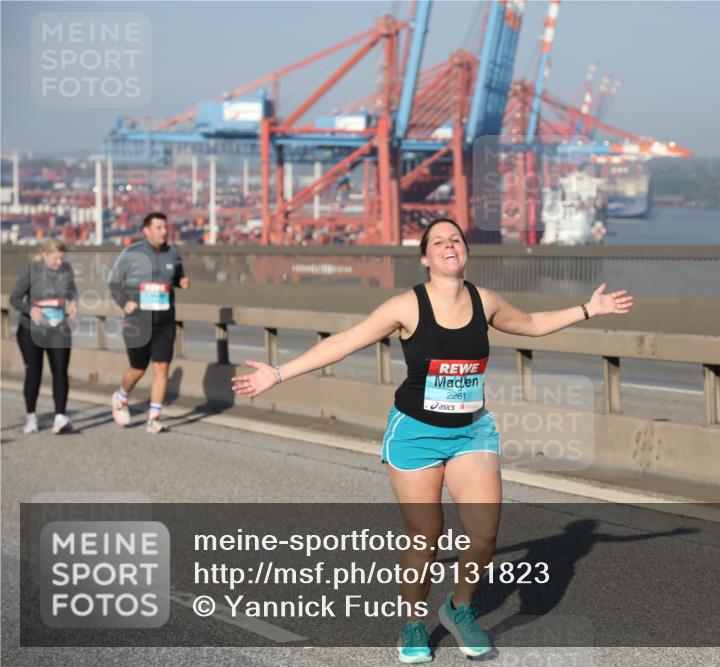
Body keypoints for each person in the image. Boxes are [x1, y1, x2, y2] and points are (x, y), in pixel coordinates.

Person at [231, 218, 632, 663]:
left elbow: (532, 323)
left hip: (471, 432)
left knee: (483, 535)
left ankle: (459, 609)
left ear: (465, 252)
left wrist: (589, 309)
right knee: (427, 536)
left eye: (455, 240)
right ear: (425, 257)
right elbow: (344, 342)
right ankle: (412, 624)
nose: (448, 245)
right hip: (416, 434)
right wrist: (278, 373)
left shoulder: (485, 300)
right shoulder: (406, 306)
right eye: (438, 241)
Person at [107, 212, 190, 433]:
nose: (164, 231)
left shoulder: (173, 253)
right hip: (138, 321)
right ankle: (121, 396)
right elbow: (114, 283)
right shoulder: (131, 253)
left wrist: (182, 282)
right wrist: (124, 302)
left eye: (165, 227)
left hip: (165, 320)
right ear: (147, 230)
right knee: (138, 369)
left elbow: (178, 277)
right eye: (159, 227)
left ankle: (154, 418)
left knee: (162, 368)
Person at [9, 238, 78, 434]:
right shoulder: (33, 270)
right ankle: (31, 417)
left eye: (62, 258)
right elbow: (14, 298)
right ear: (45, 255)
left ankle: (60, 417)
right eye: (55, 259)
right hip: (32, 330)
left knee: (60, 371)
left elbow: (71, 291)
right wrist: (30, 309)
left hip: (58, 328)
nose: (59, 263)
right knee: (34, 373)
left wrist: (72, 303)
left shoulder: (67, 270)